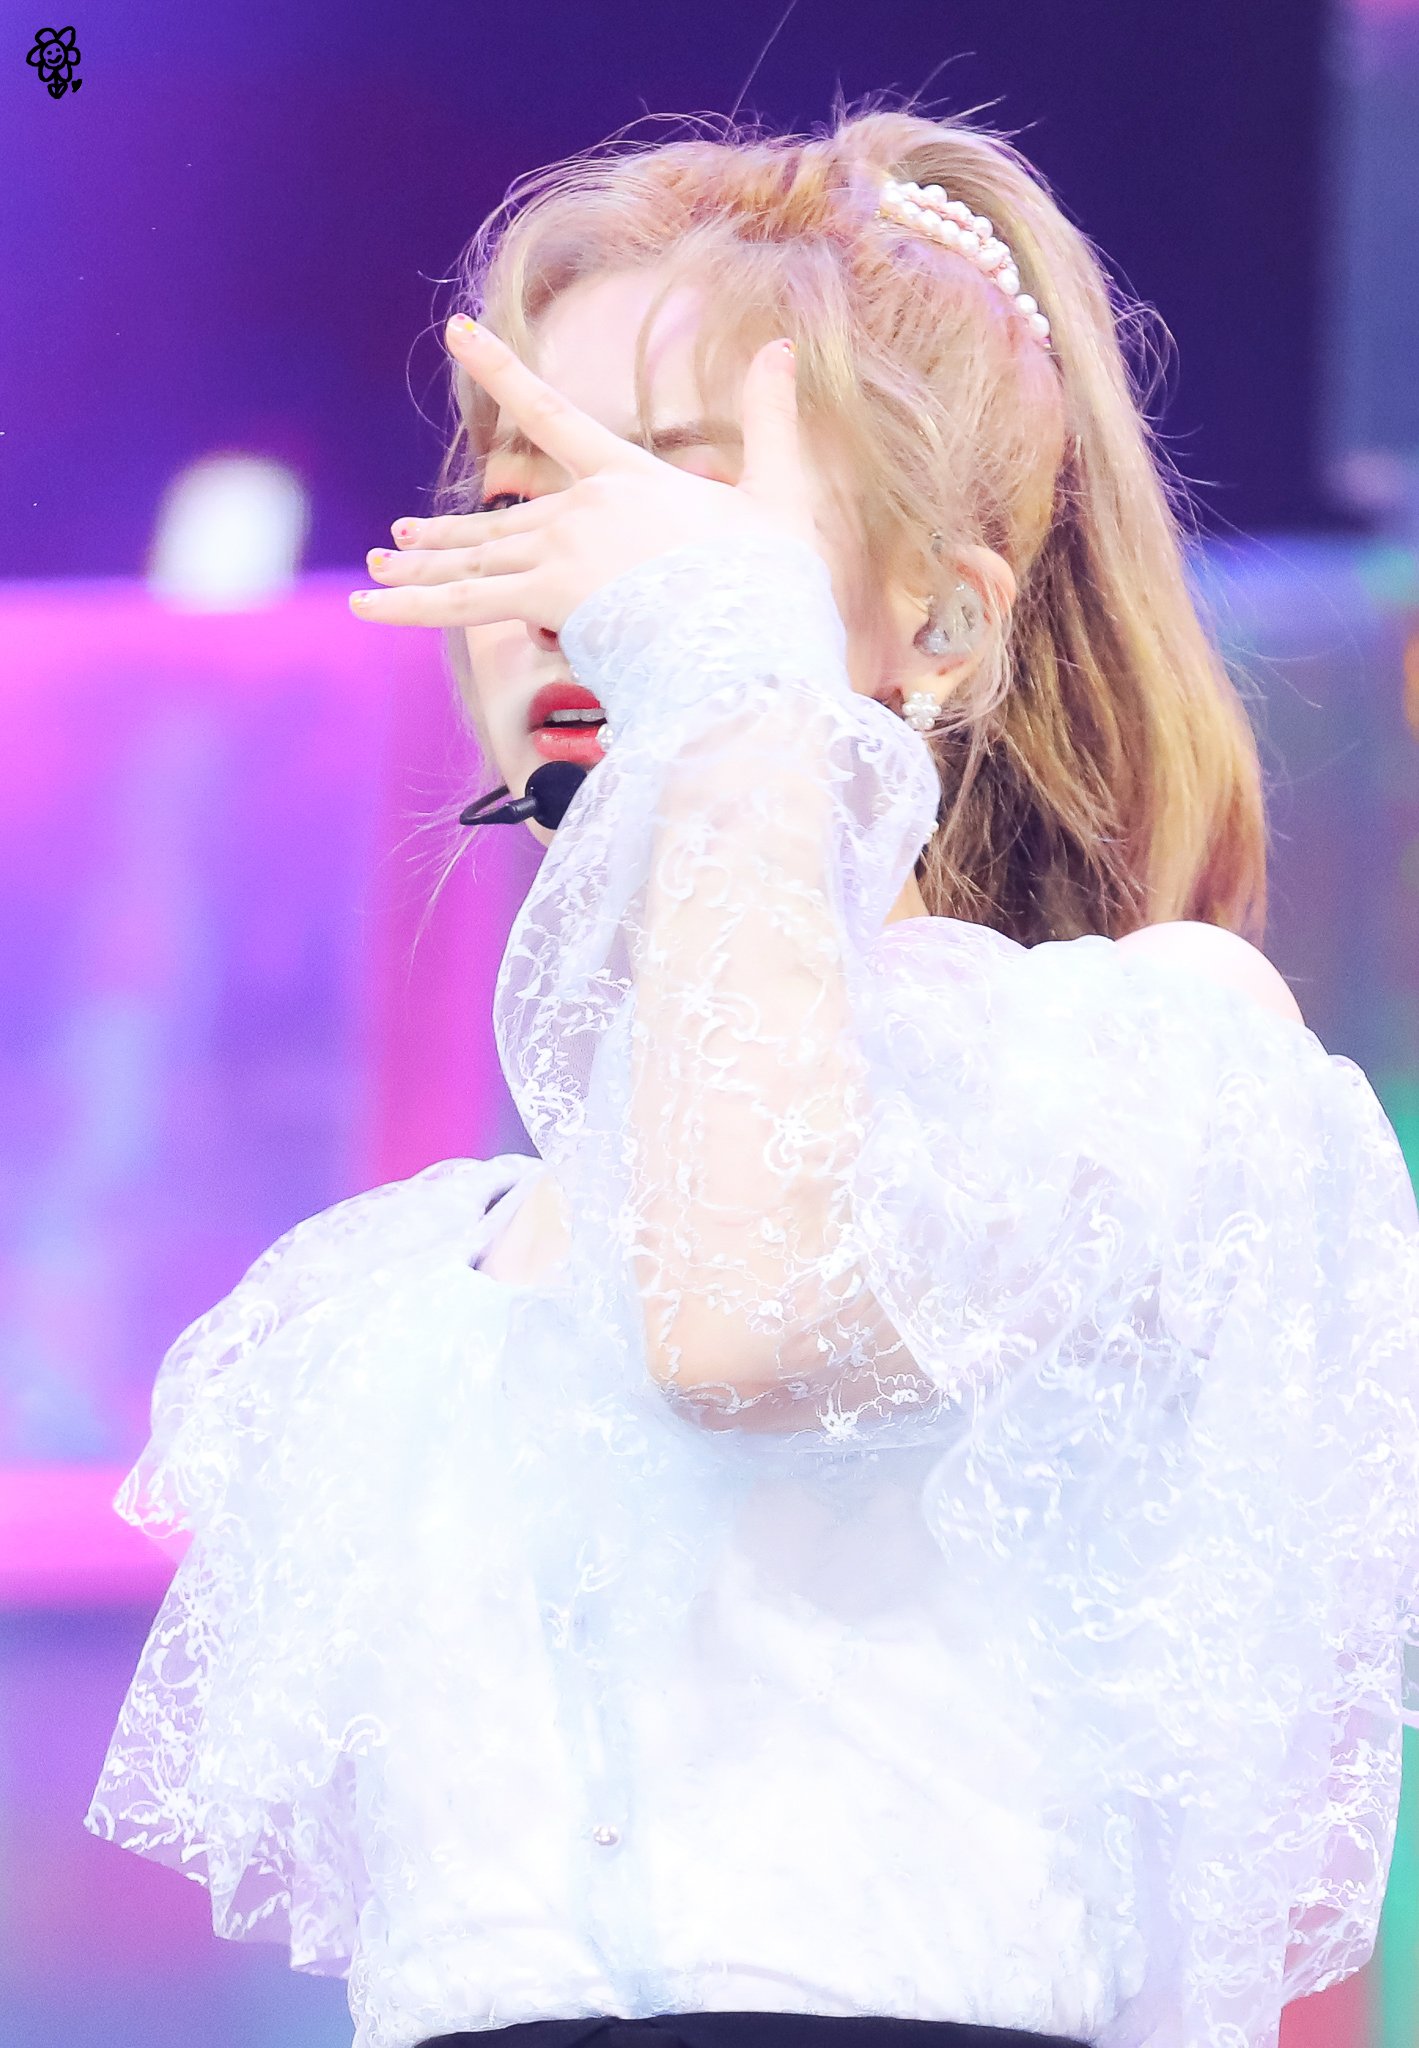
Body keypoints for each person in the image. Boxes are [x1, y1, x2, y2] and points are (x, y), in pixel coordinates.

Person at [85, 106, 1419, 2048]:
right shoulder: (389, 1299)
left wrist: (733, 674)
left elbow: (743, 1319)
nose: (577, 574)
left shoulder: (1131, 1061)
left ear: (942, 620)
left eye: (674, 501)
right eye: (525, 494)